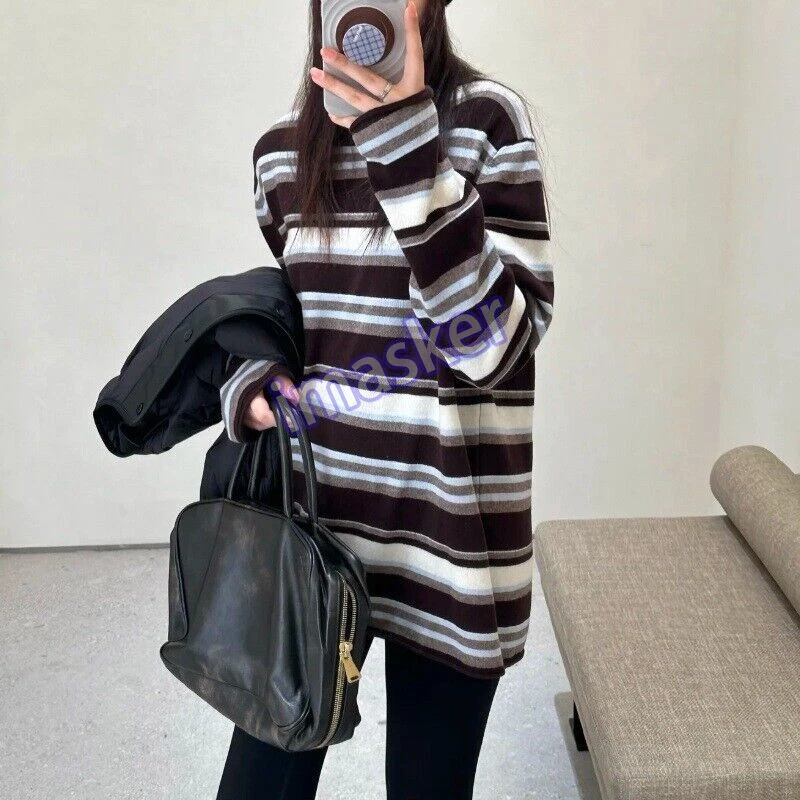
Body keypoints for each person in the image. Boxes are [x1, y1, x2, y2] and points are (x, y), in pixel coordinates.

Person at [216, 0, 555, 797]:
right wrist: (256, 384)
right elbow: (289, 319)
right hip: (315, 526)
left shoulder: (487, 124)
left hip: (450, 535)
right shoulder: (279, 154)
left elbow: (494, 348)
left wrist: (404, 147)